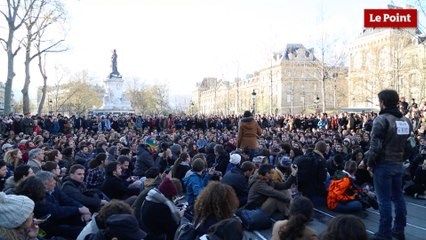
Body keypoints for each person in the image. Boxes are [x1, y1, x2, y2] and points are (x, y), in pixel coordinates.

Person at [367, 89, 412, 240]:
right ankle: (399, 230)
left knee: (384, 200)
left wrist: (369, 163)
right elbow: (407, 146)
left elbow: (375, 147)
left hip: (383, 165)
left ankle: (384, 232)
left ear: (383, 102)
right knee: (398, 198)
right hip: (398, 164)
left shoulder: (381, 120)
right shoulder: (406, 121)